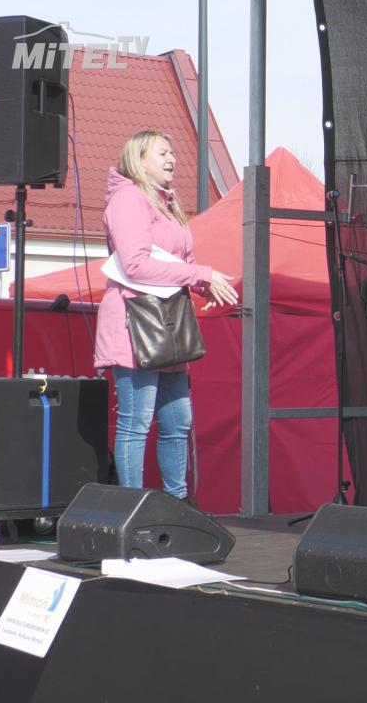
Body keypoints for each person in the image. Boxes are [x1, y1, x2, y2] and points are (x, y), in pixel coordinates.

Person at [94, 131, 238, 503]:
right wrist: (200, 275)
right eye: (162, 153)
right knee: (136, 423)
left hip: (168, 322)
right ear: (138, 160)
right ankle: (131, 508)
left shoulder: (166, 202)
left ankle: (177, 505)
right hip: (136, 322)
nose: (172, 159)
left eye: (172, 152)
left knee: (178, 421)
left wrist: (204, 285)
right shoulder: (128, 198)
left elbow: (181, 262)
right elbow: (136, 264)